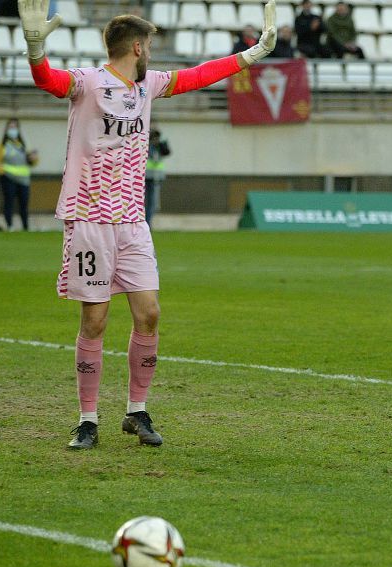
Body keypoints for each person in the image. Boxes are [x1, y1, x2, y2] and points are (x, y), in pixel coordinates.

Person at [19, 0, 279, 449]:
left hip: (132, 220)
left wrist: (251, 54)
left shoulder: (148, 86)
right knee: (95, 321)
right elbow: (47, 81)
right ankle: (87, 420)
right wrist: (35, 49)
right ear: (137, 47)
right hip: (90, 219)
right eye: (151, 46)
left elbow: (200, 75)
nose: (153, 55)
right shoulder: (87, 82)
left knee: (150, 313)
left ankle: (136, 412)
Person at [0, 118, 38, 231]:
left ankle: (25, 227)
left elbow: (32, 160)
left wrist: (33, 158)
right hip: (8, 178)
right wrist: (2, 171)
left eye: (15, 127)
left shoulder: (23, 144)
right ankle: (10, 226)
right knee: (9, 202)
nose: (13, 130)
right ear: (6, 130)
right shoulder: (2, 146)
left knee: (24, 204)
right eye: (10, 127)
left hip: (23, 179)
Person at [145, 127, 170, 225]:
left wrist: (161, 144)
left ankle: (148, 221)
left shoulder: (159, 146)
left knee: (152, 203)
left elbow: (167, 152)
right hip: (147, 177)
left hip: (156, 177)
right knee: (148, 202)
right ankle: (147, 222)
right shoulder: (148, 145)